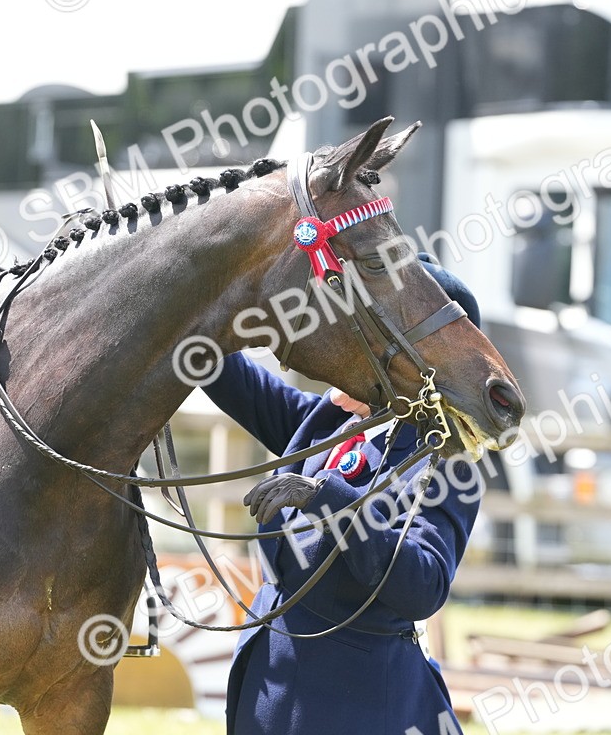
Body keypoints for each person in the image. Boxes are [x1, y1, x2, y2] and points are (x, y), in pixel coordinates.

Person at [202, 254, 483, 735]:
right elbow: (230, 378)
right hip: (270, 688)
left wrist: (327, 500)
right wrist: (190, 303)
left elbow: (423, 586)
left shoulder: (445, 459)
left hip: (359, 702)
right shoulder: (329, 423)